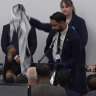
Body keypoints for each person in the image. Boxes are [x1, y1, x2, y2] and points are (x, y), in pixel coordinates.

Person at [1, 4, 37, 82]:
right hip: (11, 64)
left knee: (26, 89)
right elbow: (4, 46)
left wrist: (23, 57)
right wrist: (15, 57)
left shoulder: (31, 28)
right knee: (9, 89)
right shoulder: (6, 28)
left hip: (26, 64)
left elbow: (33, 45)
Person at [60, 0, 88, 94]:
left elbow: (83, 41)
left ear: (72, 7)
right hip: (63, 60)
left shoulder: (80, 22)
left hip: (76, 59)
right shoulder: (59, 22)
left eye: (66, 7)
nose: (64, 9)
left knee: (77, 85)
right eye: (62, 7)